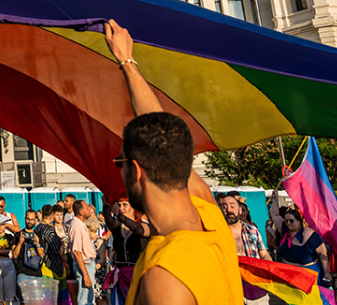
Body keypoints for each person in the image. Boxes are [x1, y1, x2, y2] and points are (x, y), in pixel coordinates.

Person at [103, 19, 242, 304]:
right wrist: (127, 62)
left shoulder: (166, 274)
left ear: (136, 170)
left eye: (121, 162)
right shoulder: (209, 218)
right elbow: (160, 130)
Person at [218, 193, 269, 305]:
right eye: (224, 207)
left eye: (232, 206)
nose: (228, 209)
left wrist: (270, 267)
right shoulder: (218, 234)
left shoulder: (253, 230)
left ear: (240, 210)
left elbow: (264, 253)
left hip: (255, 285)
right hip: (230, 288)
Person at [275, 208, 329, 286]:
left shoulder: (312, 235)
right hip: (289, 276)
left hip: (308, 275)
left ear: (299, 221)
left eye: (291, 221)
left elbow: (322, 254)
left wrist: (326, 272)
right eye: (286, 221)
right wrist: (276, 198)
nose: (288, 223)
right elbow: (274, 214)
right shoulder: (285, 230)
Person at [69, 200, 97, 305]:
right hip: (85, 264)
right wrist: (85, 275)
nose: (90, 209)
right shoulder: (76, 226)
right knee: (85, 300)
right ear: (81, 212)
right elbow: (77, 252)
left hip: (87, 263)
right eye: (86, 208)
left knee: (89, 298)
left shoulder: (80, 224)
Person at [11, 210, 45, 289]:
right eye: (28, 219)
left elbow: (42, 255)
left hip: (37, 274)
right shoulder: (17, 235)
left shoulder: (39, 236)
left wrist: (37, 244)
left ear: (36, 220)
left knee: (38, 301)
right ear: (25, 219)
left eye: (32, 219)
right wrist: (19, 243)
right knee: (25, 301)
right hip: (23, 274)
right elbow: (14, 255)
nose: (30, 221)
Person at [0, 220, 16, 305]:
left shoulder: (9, 236)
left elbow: (12, 251)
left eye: (2, 225)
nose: (0, 227)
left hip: (8, 262)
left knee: (10, 296)